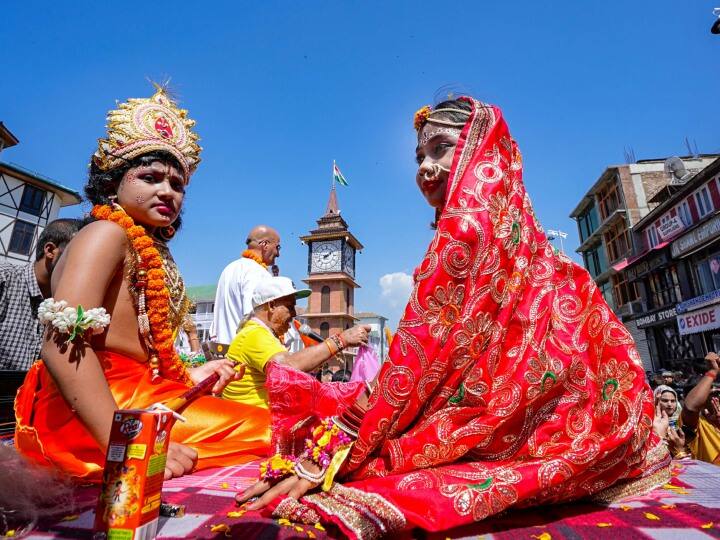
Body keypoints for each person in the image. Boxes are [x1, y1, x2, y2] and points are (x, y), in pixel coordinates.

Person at [238, 98, 669, 537]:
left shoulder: (467, 228)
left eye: (441, 149)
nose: (425, 168)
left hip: (523, 419)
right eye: (419, 156)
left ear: (479, 152)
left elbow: (416, 360)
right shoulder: (520, 237)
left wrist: (332, 451)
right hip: (594, 419)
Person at [14, 86, 270, 483]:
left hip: (141, 395)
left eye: (177, 184)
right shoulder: (104, 234)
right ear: (112, 184)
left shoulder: (142, 244)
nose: (167, 190)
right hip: (99, 409)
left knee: (288, 423)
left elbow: (142, 349)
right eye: (149, 177)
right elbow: (62, 349)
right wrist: (128, 444)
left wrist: (191, 375)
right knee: (280, 432)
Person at [222, 276, 370, 408]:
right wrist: (341, 340)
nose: (294, 314)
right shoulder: (254, 334)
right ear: (272, 306)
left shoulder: (261, 333)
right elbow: (287, 367)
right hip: (255, 425)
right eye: (290, 307)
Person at [0, 218, 83, 370]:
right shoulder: (5, 279)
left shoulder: (69, 303)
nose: (84, 264)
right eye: (77, 254)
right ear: (50, 250)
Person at [211, 225, 280, 344]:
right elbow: (254, 317)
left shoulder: (230, 268)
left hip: (224, 353)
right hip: (245, 354)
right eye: (277, 247)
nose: (278, 254)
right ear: (265, 245)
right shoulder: (257, 271)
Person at [679, 352, 720, 464]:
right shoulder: (695, 422)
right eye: (709, 388)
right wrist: (712, 372)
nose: (715, 391)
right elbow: (691, 407)